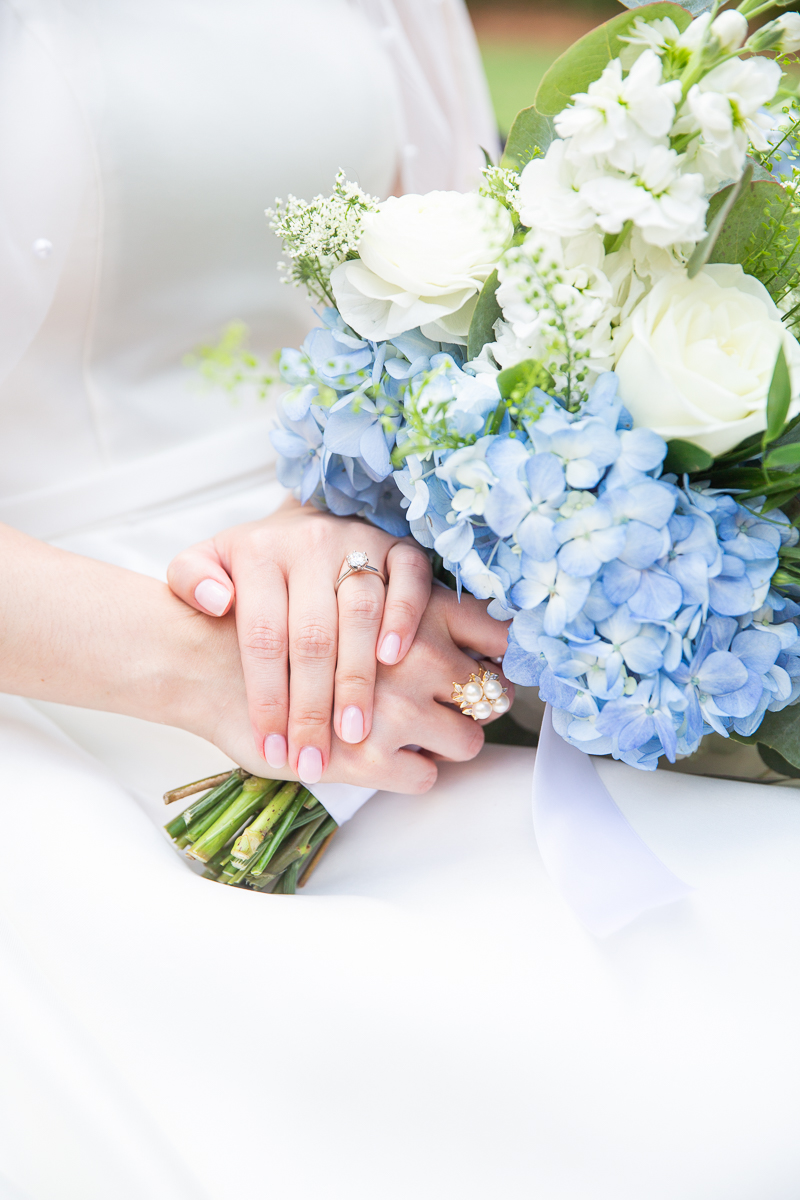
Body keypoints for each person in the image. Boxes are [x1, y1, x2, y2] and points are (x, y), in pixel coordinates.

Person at [2, 3, 800, 1199]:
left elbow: (460, 292)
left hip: (366, 581)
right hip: (65, 655)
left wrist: (360, 529)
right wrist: (218, 661)